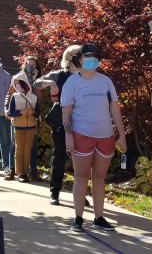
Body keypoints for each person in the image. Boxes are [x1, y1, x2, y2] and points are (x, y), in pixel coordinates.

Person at [61, 44, 127, 232]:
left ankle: (99, 218)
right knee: (81, 176)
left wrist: (121, 135)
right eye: (87, 57)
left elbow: (114, 109)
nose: (91, 60)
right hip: (81, 134)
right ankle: (78, 218)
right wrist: (69, 137)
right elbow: (66, 112)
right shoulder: (72, 82)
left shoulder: (106, 81)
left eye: (95, 57)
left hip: (105, 135)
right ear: (79, 60)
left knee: (99, 177)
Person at [42, 45, 80, 204]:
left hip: (81, 122)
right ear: (69, 56)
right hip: (61, 123)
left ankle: (80, 193)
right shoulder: (59, 75)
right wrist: (50, 83)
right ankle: (54, 192)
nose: (80, 56)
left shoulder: (87, 76)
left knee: (81, 160)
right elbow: (37, 82)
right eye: (77, 54)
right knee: (59, 157)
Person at [4, 72, 39, 182]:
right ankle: (20, 173)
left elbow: (38, 112)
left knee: (28, 150)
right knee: (19, 150)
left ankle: (25, 172)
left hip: (31, 126)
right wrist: (20, 112)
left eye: (20, 83)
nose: (18, 85)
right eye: (16, 83)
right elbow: (11, 112)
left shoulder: (34, 97)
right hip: (18, 125)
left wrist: (32, 111)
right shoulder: (14, 96)